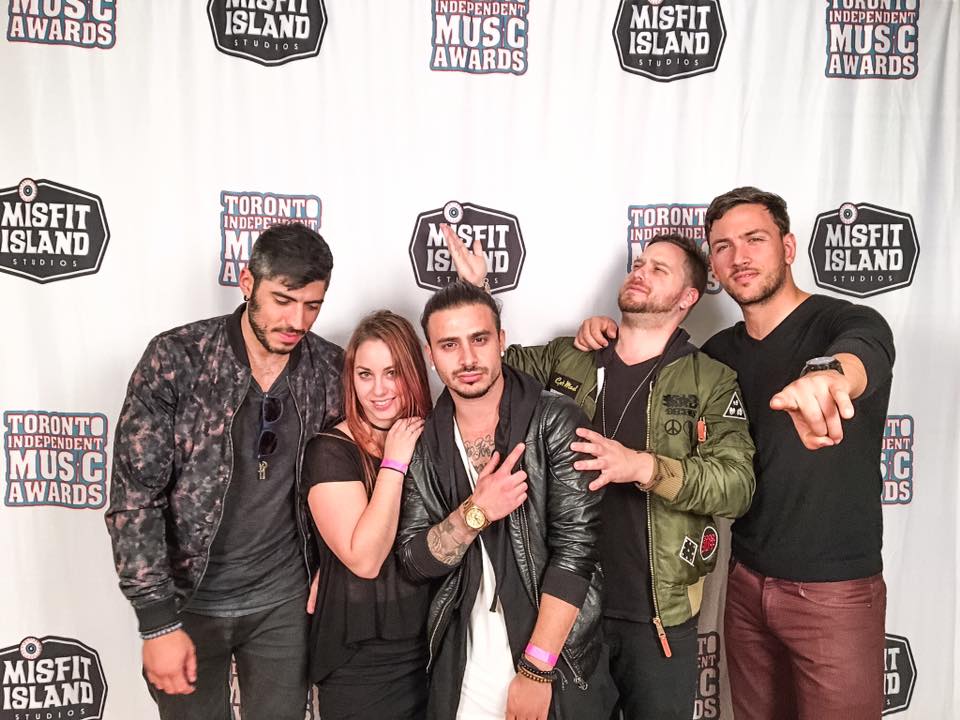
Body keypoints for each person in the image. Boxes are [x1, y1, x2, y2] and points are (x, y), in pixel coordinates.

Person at [577, 187, 895, 720]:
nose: (739, 257)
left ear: (788, 247)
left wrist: (829, 378)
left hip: (834, 592)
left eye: (754, 239)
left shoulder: (844, 323)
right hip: (745, 583)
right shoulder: (718, 357)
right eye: (723, 246)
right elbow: (649, 362)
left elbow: (863, 355)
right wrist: (603, 335)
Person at [446, 225, 756, 719]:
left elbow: (737, 485)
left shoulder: (710, 379)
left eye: (659, 269)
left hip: (656, 617)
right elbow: (489, 370)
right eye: (639, 264)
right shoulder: (571, 355)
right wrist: (477, 290)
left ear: (688, 297)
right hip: (564, 611)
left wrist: (643, 466)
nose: (641, 272)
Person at [105, 222, 343, 720]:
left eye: (312, 306)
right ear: (247, 282)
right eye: (283, 300)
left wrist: (333, 569)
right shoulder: (177, 359)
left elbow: (356, 474)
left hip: (284, 604)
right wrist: (156, 621)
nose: (296, 320)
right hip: (189, 603)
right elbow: (135, 498)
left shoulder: (328, 369)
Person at [397, 280, 605, 720]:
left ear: (501, 341)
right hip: (464, 656)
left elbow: (576, 554)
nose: (467, 359)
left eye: (479, 339)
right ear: (431, 355)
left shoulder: (555, 420)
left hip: (552, 655)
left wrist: (536, 670)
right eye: (449, 345)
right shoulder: (426, 443)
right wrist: (475, 513)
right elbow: (415, 560)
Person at [302, 310, 432, 719]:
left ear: (414, 371)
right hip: (362, 660)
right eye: (365, 374)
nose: (378, 390)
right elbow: (365, 559)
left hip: (434, 646)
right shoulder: (330, 450)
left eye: (392, 373)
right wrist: (394, 464)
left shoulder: (435, 437)